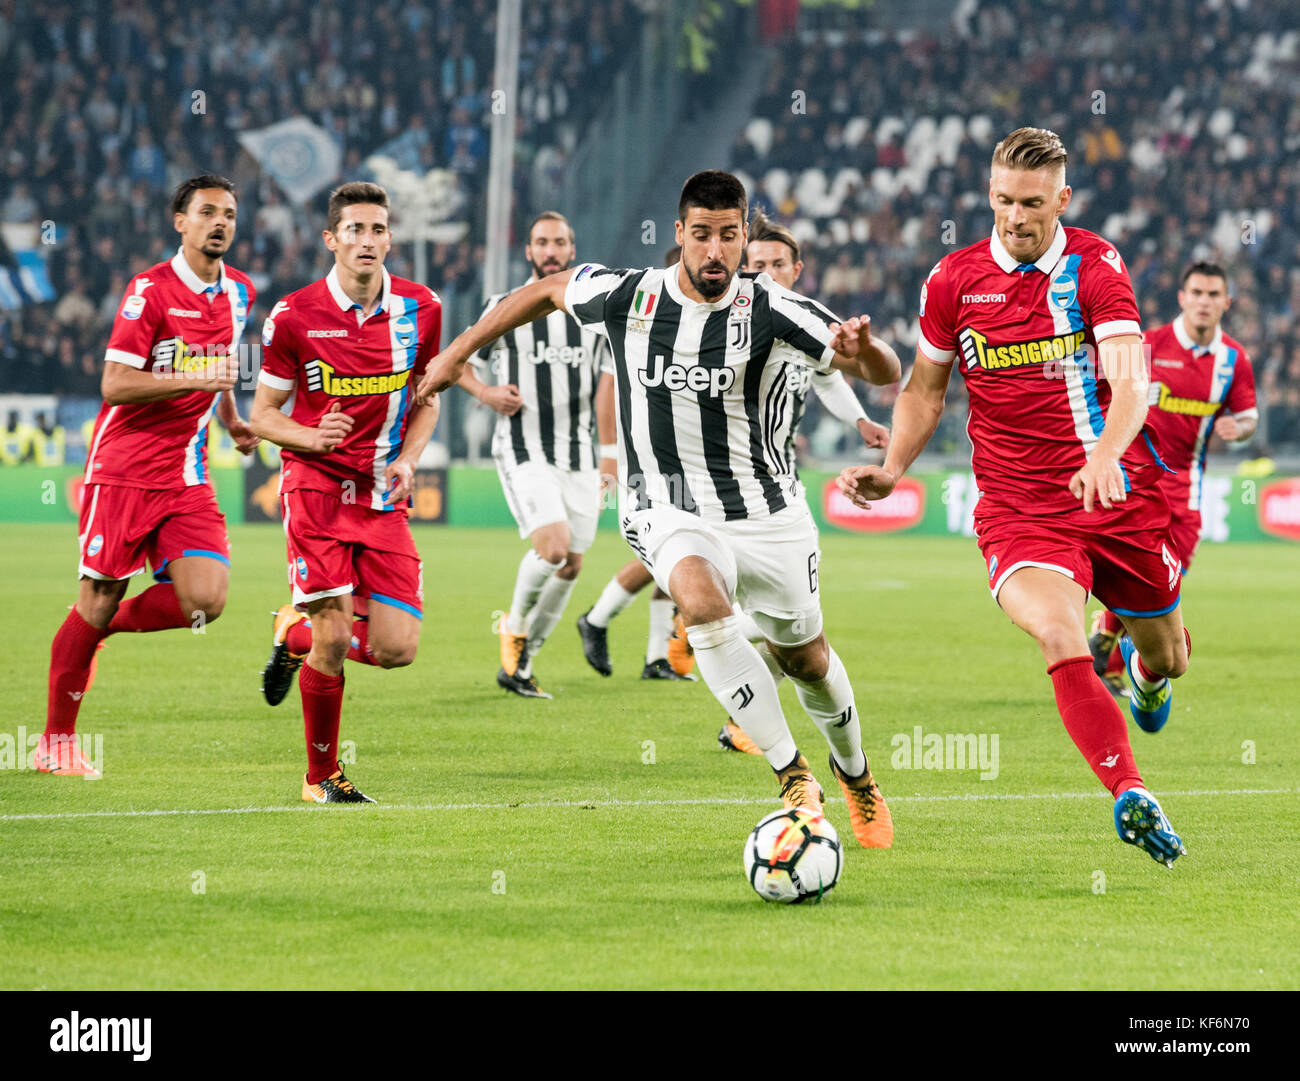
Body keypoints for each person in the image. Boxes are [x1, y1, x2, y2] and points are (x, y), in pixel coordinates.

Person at [418, 170, 901, 849]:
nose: (714, 252)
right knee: (701, 602)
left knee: (807, 659)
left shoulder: (775, 308)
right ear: (679, 235)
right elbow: (542, 291)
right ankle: (793, 774)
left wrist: (865, 352)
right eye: (701, 236)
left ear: (741, 237)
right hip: (667, 505)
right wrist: (457, 353)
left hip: (768, 510)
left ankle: (855, 773)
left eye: (728, 237)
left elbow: (886, 374)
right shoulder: (630, 294)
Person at [838, 128, 1190, 866]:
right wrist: (895, 466)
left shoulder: (1098, 266)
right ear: (988, 195)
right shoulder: (953, 280)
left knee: (1171, 656)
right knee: (1060, 635)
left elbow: (1131, 380)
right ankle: (1130, 790)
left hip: (1112, 494)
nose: (1015, 217)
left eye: (1032, 203)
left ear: (1061, 199)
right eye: (1002, 200)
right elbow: (925, 392)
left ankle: (1145, 675)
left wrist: (1101, 455)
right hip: (1020, 507)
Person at [578, 218, 891, 706]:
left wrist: (860, 422)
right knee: (690, 572)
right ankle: (621, 627)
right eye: (759, 263)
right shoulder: (679, 319)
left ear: (796, 269)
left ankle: (667, 644)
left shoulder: (796, 321)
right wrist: (611, 458)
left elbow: (833, 376)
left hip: (774, 476)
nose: (766, 270)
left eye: (777, 264)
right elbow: (610, 387)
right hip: (701, 475)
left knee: (747, 600)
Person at [39, 174, 257, 777]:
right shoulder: (150, 292)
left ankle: (97, 631)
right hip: (124, 469)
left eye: (230, 214)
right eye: (207, 212)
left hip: (186, 469)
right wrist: (196, 379)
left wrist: (233, 419)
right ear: (179, 222)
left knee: (206, 600)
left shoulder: (240, 291)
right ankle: (55, 742)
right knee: (100, 594)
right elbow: (114, 385)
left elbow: (223, 367)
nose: (220, 223)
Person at [251, 181, 441, 804]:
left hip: (383, 496)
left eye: (378, 229)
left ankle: (291, 632)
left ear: (391, 238)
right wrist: (309, 434)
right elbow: (263, 415)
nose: (367, 240)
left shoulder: (423, 309)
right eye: (354, 230)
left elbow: (428, 400)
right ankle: (320, 778)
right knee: (335, 638)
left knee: (396, 649)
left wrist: (410, 459)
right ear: (331, 240)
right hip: (316, 487)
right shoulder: (294, 316)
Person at [460, 212, 613, 698]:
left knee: (571, 564)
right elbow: (456, 361)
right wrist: (486, 395)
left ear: (572, 250)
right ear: (528, 251)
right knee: (552, 547)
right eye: (542, 242)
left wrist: (609, 454)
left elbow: (607, 386)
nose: (551, 250)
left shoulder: (595, 314)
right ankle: (515, 627)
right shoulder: (503, 307)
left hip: (580, 453)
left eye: (560, 242)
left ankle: (523, 663)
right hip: (523, 447)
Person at [1088, 262, 1257, 696]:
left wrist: (1241, 430)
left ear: (1226, 302)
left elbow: (1249, 415)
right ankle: (1107, 652)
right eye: (1196, 293)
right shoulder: (1145, 344)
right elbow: (1100, 385)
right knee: (1139, 569)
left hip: (1188, 487)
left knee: (1169, 574)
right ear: (1182, 298)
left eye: (1213, 294)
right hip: (1138, 477)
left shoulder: (1233, 360)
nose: (1204, 301)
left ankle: (1106, 640)